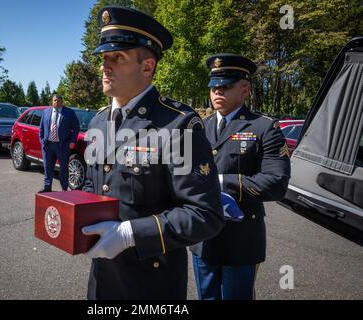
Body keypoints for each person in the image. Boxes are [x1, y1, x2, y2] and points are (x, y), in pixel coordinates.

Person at [80, 6, 225, 300]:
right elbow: (92, 184)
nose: (104, 66)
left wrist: (129, 234)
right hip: (102, 280)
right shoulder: (98, 121)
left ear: (147, 67)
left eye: (117, 58)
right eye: (104, 58)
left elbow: (204, 214)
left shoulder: (177, 124)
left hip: (151, 285)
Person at [190, 53, 291, 300]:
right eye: (213, 86)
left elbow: (276, 183)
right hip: (203, 236)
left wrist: (223, 182)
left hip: (241, 239)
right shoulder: (198, 127)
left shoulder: (263, 127)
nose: (217, 92)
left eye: (225, 86)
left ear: (245, 89)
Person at [38, 94, 80, 192]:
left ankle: (64, 189)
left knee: (63, 169)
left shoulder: (69, 112)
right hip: (48, 145)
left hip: (62, 145)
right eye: (54, 100)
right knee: (48, 167)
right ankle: (47, 187)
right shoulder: (46, 112)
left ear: (62, 102)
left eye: (57, 100)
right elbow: (41, 128)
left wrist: (72, 141)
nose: (55, 102)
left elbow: (76, 127)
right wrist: (42, 141)